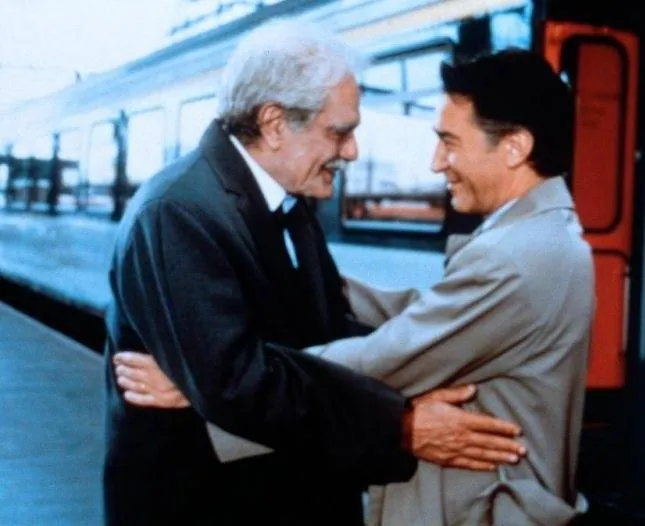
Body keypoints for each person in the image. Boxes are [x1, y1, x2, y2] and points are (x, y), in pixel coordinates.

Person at [114, 48, 595, 525]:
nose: (435, 163)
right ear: (275, 124)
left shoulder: (516, 255)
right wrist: (231, 365)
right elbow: (430, 312)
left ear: (515, 147)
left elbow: (390, 354)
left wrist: (218, 389)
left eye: (449, 142)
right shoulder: (542, 235)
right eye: (339, 132)